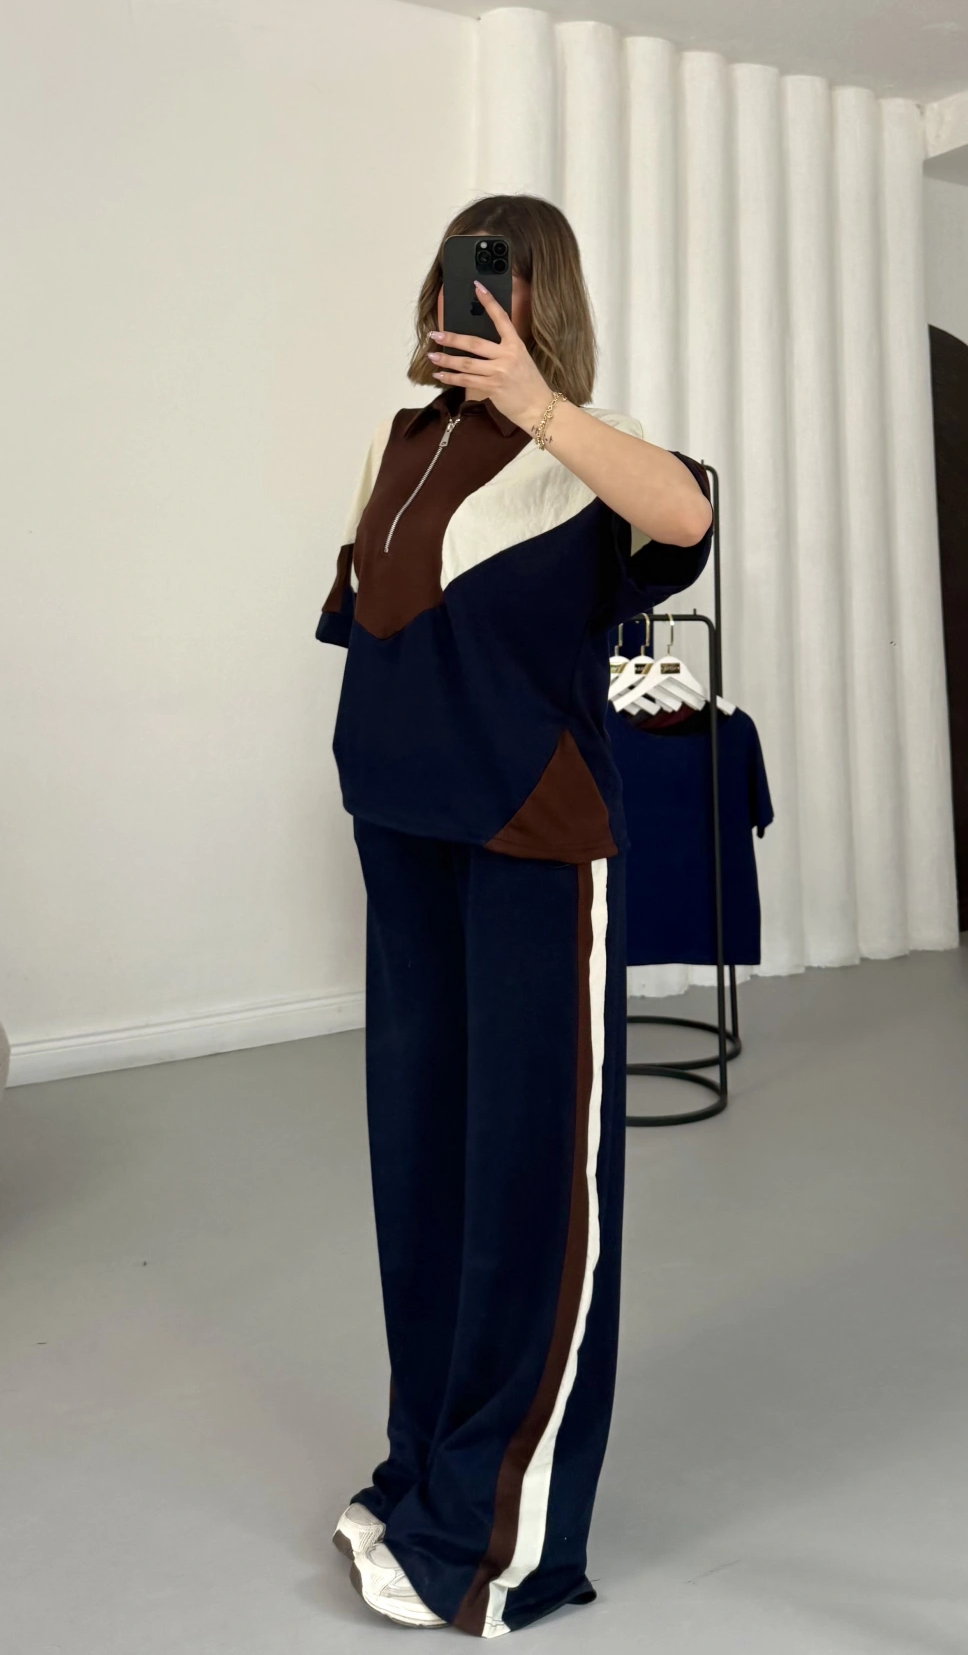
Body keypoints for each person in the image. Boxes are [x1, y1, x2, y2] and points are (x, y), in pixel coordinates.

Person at [316, 194, 713, 1638]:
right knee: (424, 1173)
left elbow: (688, 517)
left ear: (544, 298)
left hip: (536, 845)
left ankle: (498, 1541)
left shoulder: (585, 451)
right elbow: (373, 627)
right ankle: (427, 1467)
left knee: (532, 1189)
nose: (468, 298)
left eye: (499, 276)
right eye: (453, 273)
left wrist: (543, 405)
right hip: (406, 839)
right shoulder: (398, 443)